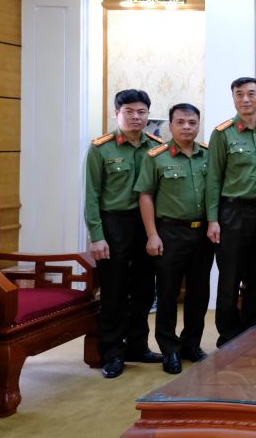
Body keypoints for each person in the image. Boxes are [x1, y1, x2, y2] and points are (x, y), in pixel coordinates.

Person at [84, 89, 165, 379]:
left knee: (144, 289)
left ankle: (137, 346)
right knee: (115, 290)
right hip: (113, 224)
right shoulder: (101, 148)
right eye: (129, 111)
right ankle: (112, 353)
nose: (135, 117)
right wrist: (96, 235)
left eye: (141, 112)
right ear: (116, 113)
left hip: (146, 225)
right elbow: (91, 195)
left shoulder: (156, 147)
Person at [135, 103, 212, 375]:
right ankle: (169, 349)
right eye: (181, 122)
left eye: (192, 122)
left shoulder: (208, 155)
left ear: (198, 124)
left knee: (199, 292)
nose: (187, 127)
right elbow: (145, 196)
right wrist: (152, 235)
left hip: (202, 234)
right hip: (170, 232)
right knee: (167, 292)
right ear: (170, 125)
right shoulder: (155, 156)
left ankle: (191, 344)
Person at [205, 77, 256, 347]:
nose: (246, 99)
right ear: (233, 98)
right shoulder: (222, 134)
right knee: (229, 277)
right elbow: (213, 178)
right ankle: (227, 336)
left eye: (251, 94)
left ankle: (250, 333)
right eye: (240, 95)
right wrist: (212, 219)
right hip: (232, 214)